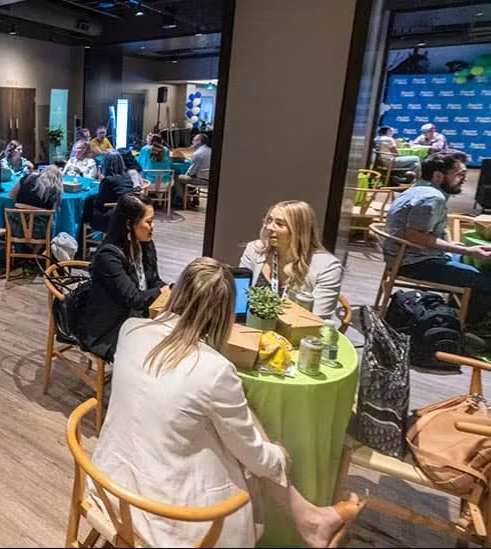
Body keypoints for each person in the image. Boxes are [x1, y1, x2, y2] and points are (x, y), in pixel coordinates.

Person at [89, 257, 361, 547]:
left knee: (237, 428)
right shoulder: (214, 370)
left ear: (178, 290)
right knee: (255, 466)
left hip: (108, 481)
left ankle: (310, 518)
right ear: (225, 314)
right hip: (165, 515)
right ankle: (309, 519)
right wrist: (280, 456)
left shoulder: (131, 329)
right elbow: (256, 458)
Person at [384, 150, 491, 330]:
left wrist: (452, 246)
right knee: (485, 281)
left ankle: (456, 311)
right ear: (438, 176)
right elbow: (415, 236)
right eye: (460, 174)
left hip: (410, 256)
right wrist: (465, 250)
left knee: (474, 266)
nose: (464, 179)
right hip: (413, 263)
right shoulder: (432, 197)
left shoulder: (419, 188)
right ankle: (465, 327)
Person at [78, 194, 166, 362]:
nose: (152, 227)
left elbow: (153, 280)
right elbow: (134, 299)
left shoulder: (146, 244)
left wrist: (170, 291)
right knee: (157, 357)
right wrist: (163, 291)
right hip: (109, 329)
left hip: (136, 319)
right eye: (148, 222)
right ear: (129, 224)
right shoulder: (109, 256)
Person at [239, 200, 343, 318]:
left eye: (279, 224)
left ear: (299, 231)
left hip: (297, 333)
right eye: (269, 220)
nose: (269, 227)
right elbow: (239, 299)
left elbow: (318, 320)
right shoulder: (254, 249)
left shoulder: (328, 267)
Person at [89, 152, 137, 232]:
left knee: (87, 205)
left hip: (111, 218)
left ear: (106, 164)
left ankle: (81, 238)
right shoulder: (127, 177)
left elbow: (99, 203)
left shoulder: (108, 180)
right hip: (128, 214)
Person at [175, 133, 211, 210]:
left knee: (177, 177)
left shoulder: (198, 153)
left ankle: (184, 200)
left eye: (193, 140)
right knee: (187, 178)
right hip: (210, 178)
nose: (192, 142)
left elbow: (191, 172)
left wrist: (186, 174)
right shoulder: (210, 151)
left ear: (198, 141)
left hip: (202, 180)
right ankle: (194, 198)